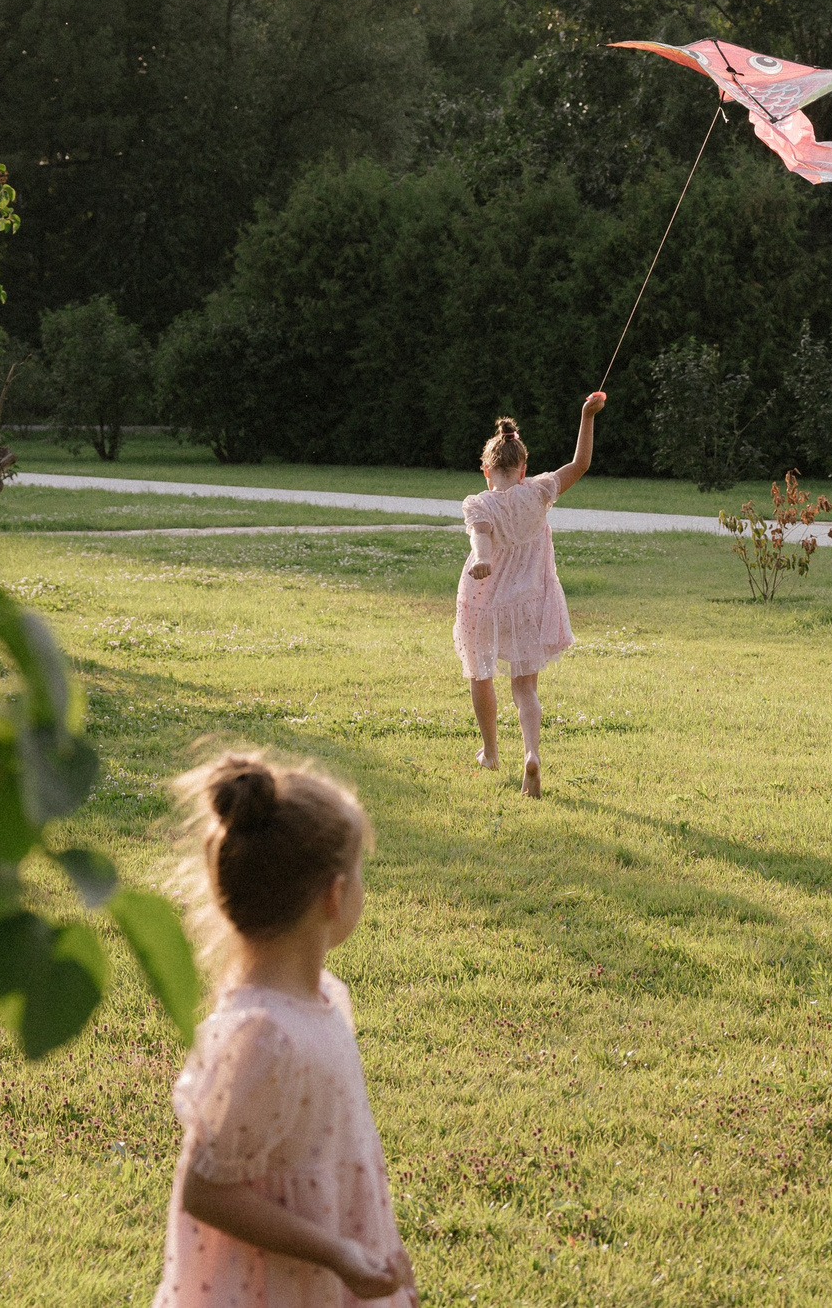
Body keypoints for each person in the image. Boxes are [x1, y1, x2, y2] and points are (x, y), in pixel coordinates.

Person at [155, 752, 416, 1307]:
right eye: (360, 874)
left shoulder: (324, 999)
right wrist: (335, 1252)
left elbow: (347, 1155)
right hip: (272, 1287)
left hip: (335, 1271)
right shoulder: (263, 1036)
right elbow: (205, 1190)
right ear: (334, 896)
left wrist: (375, 1250)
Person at [455, 394, 606, 798]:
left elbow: (480, 536)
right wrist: (585, 416)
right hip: (530, 601)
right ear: (523, 469)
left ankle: (490, 752)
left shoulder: (479, 502)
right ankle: (532, 754)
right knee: (525, 689)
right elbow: (580, 465)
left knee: (480, 672)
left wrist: (483, 561)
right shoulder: (539, 490)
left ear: (487, 470)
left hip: (483, 602)